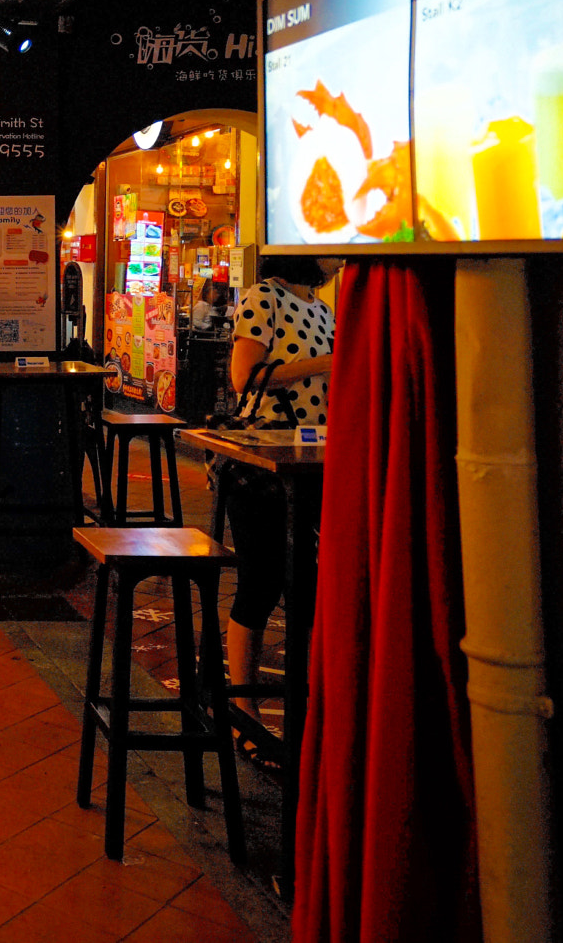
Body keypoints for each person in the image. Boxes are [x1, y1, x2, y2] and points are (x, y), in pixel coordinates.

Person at [222, 253, 337, 768]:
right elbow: (243, 377)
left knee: (310, 588)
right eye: (330, 248)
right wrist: (330, 362)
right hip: (263, 464)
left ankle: (310, 713)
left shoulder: (326, 310)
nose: (337, 258)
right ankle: (242, 711)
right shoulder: (263, 297)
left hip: (315, 465)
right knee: (261, 583)